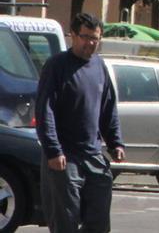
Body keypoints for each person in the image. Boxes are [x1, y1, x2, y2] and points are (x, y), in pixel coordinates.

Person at [36, 12, 125, 233]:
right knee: (66, 221)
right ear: (73, 36)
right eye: (85, 37)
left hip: (93, 155)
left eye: (95, 38)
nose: (91, 43)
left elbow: (107, 108)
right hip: (65, 157)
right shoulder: (57, 66)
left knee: (99, 221)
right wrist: (53, 151)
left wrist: (116, 143)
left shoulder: (99, 67)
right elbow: (45, 110)